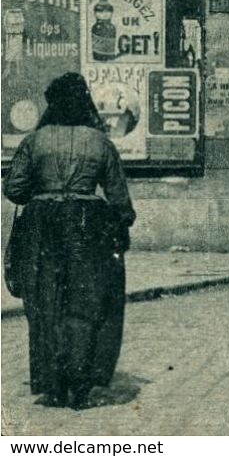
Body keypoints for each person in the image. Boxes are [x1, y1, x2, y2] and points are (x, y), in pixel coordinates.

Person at [3, 72, 136, 410]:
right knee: (85, 304)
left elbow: (13, 189)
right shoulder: (99, 142)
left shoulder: (35, 141)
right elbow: (119, 197)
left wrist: (45, 191)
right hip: (88, 227)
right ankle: (80, 383)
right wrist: (121, 223)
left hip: (42, 228)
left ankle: (53, 385)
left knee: (45, 303)